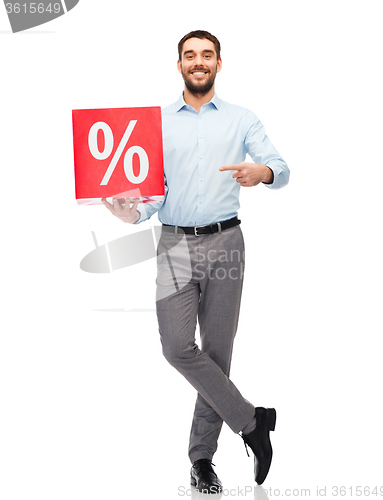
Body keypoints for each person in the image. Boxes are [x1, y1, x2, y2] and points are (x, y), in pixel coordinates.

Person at [102, 30, 290, 494]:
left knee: (217, 355)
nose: (198, 62)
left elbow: (281, 168)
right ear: (180, 64)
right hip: (174, 245)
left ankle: (201, 460)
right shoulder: (156, 123)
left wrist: (262, 172)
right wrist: (132, 212)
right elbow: (150, 192)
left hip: (227, 242)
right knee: (176, 346)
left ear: (219, 64)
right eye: (190, 55)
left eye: (207, 55)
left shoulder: (243, 119)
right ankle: (251, 421)